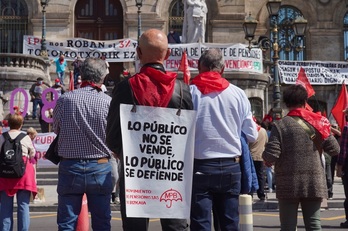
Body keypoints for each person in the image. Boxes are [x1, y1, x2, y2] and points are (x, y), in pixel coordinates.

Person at [106, 28, 192, 231]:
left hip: (136, 172)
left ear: (138, 53)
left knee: (135, 227)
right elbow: (188, 135)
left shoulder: (125, 87)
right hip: (172, 174)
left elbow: (112, 135)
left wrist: (126, 153)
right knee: (175, 226)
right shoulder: (182, 89)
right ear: (168, 54)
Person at [189, 48, 258, 230]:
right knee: (229, 223)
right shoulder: (238, 94)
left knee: (200, 223)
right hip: (230, 167)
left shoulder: (189, 93)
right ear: (223, 69)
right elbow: (252, 135)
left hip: (200, 166)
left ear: (199, 66)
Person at [262, 84, 340, 231]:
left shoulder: (280, 125)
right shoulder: (318, 122)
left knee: (288, 227)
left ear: (286, 103)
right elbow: (335, 149)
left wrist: (266, 158)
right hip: (313, 181)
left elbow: (271, 155)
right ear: (305, 102)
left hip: (288, 183)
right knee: (314, 225)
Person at [53, 57, 113, 231]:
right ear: (102, 77)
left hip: (70, 164)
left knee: (66, 223)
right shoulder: (108, 102)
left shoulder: (65, 99)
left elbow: (56, 129)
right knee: (102, 222)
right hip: (100, 165)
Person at [0, 113, 37, 231]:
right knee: (23, 206)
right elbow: (33, 154)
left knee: (5, 207)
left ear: (8, 124)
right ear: (21, 125)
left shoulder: (2, 137)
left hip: (5, 173)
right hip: (23, 173)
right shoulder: (25, 137)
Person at [249, 117, 268, 200]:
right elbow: (266, 143)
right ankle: (261, 194)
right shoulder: (263, 131)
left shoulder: (250, 131)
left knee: (250, 175)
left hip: (251, 156)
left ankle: (250, 193)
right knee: (260, 176)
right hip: (260, 156)